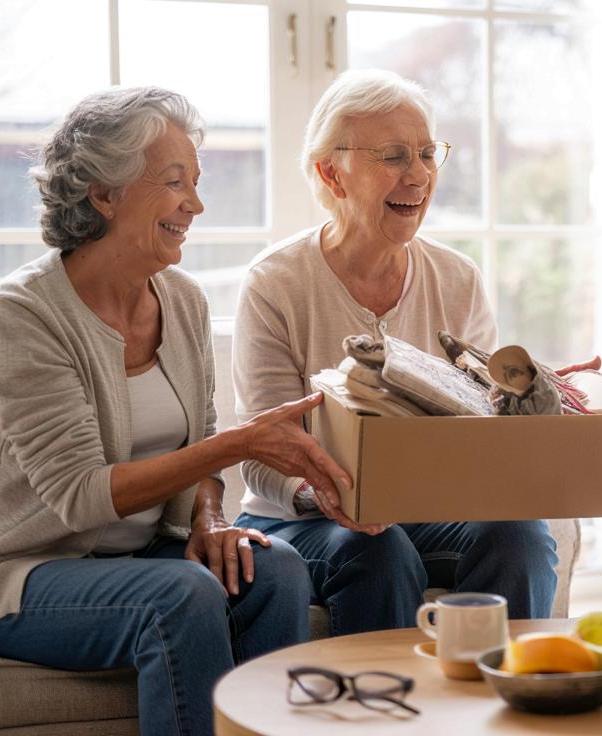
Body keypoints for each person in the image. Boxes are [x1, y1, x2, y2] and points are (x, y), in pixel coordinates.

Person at [0, 87, 343, 735]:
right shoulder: (23, 316)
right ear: (104, 194)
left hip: (135, 557)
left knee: (276, 569)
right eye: (174, 182)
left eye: (196, 183)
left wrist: (210, 518)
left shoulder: (184, 301)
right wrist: (242, 444)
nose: (195, 205)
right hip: (12, 575)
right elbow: (81, 497)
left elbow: (198, 439)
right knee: (182, 595)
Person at [231, 69, 558, 636]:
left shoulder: (457, 279)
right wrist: (322, 495)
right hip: (300, 521)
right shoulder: (275, 282)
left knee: (521, 534)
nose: (421, 175)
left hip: (430, 511)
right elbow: (260, 454)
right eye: (395, 156)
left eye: (428, 154)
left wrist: (535, 403)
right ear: (332, 173)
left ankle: (509, 706)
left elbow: (487, 424)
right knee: (377, 552)